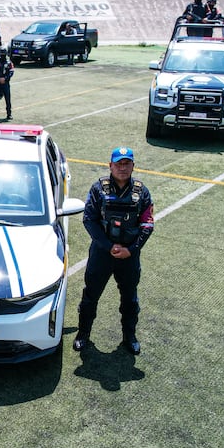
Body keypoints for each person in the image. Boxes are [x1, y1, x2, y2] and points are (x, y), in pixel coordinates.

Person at [74, 147, 155, 354]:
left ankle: (130, 336)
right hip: (102, 254)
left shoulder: (142, 191)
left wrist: (131, 249)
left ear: (133, 166)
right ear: (110, 165)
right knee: (90, 296)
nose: (122, 167)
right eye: (118, 163)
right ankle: (83, 334)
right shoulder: (98, 189)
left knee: (130, 299)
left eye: (126, 163)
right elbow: (89, 220)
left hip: (129, 256)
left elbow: (147, 224)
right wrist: (109, 246)